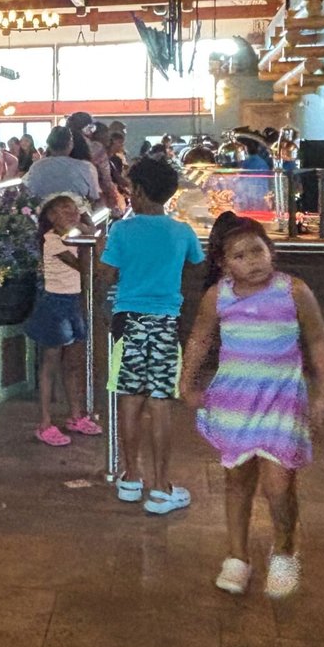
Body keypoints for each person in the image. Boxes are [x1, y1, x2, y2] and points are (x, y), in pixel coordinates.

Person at [180, 213, 324, 599]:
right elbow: (200, 339)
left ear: (272, 251)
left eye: (257, 251)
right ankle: (237, 556)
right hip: (235, 401)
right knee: (237, 479)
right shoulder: (220, 296)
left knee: (279, 483)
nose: (252, 261)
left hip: (282, 400)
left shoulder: (294, 291)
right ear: (223, 263)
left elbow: (318, 340)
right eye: (240, 256)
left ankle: (284, 551)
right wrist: (186, 382)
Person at [100, 157, 203, 515]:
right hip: (165, 321)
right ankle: (160, 487)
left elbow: (107, 274)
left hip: (127, 320)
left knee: (129, 397)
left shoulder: (122, 232)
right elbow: (194, 263)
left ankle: (130, 476)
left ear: (139, 191)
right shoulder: (182, 231)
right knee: (160, 400)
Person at [26, 194, 101, 446]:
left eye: (73, 209)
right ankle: (45, 422)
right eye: (63, 209)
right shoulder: (52, 240)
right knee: (50, 363)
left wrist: (87, 233)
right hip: (55, 304)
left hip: (74, 302)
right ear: (51, 217)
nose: (71, 213)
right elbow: (83, 266)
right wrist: (90, 234)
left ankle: (76, 415)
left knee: (73, 364)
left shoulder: (74, 237)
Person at [23, 127, 101, 204]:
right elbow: (93, 196)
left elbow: (29, 192)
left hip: (43, 213)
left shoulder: (37, 167)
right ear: (70, 144)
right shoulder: (83, 167)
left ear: (49, 146)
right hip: (75, 213)